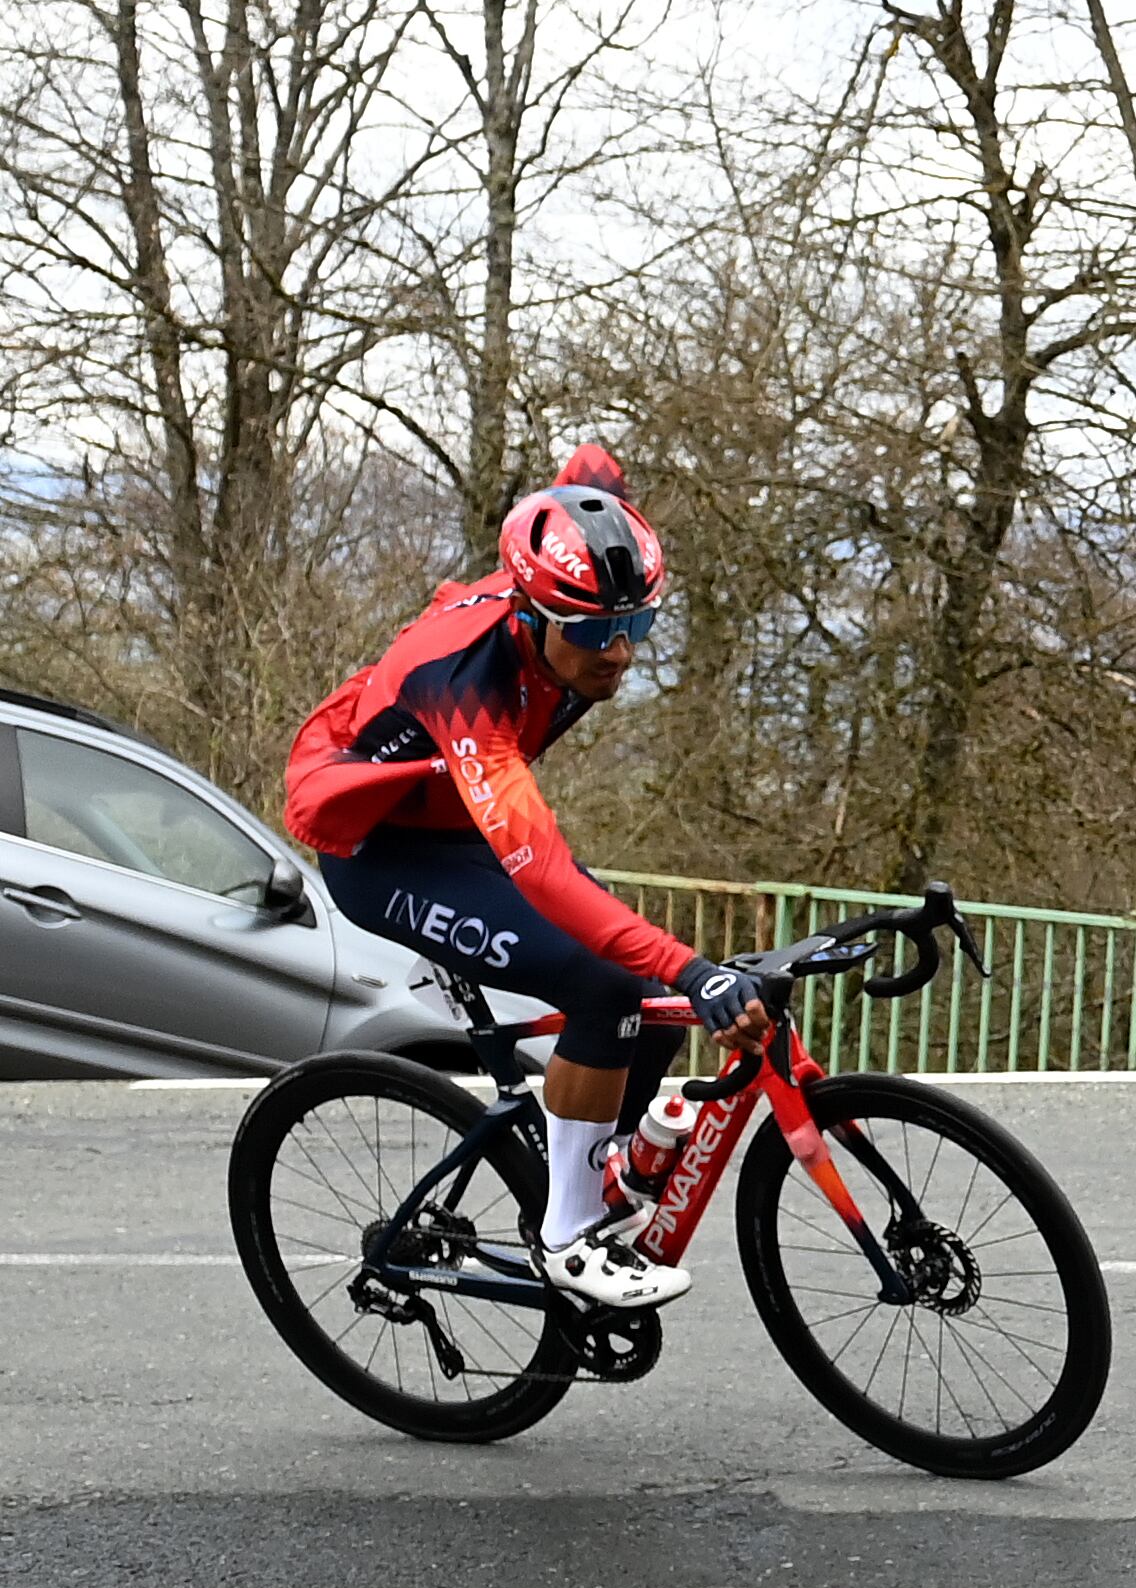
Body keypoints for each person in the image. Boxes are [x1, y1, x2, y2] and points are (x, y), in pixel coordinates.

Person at [286, 445, 775, 1310]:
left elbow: (587, 493)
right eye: (590, 634)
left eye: (639, 628)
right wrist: (697, 971)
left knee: (648, 1008)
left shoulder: (579, 594)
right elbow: (544, 876)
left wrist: (598, 475)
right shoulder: (466, 684)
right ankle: (567, 1235)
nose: (618, 653)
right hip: (383, 856)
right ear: (532, 615)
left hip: (457, 822)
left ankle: (589, 1175)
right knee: (604, 986)